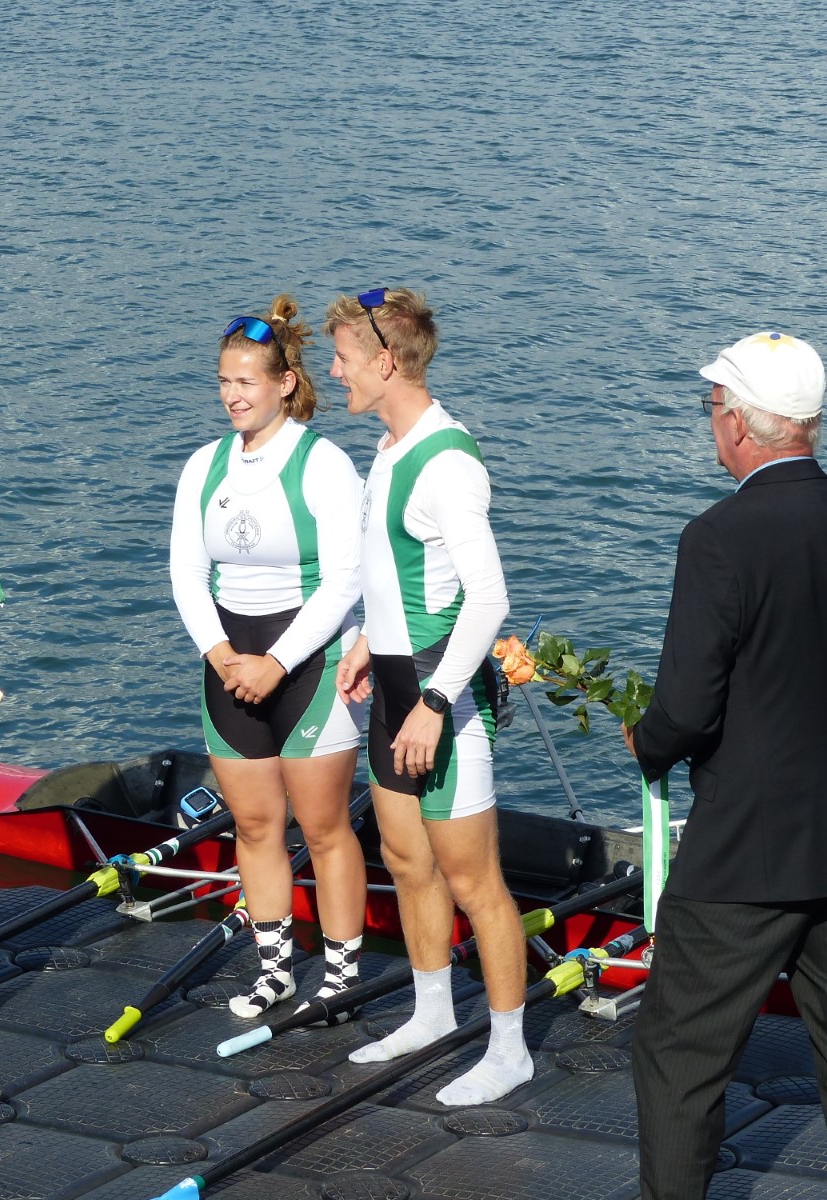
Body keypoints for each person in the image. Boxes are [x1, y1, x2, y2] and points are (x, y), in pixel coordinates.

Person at [624, 332, 827, 1199]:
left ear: (740, 425)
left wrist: (649, 743)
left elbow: (687, 705)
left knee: (679, 1054)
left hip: (742, 857)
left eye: (711, 408)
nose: (709, 424)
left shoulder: (718, 537)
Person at [328, 287, 532, 1106]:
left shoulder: (447, 463)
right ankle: (433, 1013)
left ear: (385, 362)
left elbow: (488, 598)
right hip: (392, 686)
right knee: (407, 860)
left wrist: (435, 704)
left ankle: (511, 1050)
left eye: (342, 358)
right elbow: (398, 572)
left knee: (474, 882)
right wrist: (363, 641)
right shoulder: (389, 447)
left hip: (444, 703)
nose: (333, 372)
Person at [169, 295, 369, 1022]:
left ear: (285, 383)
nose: (232, 396)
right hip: (229, 663)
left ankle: (342, 977)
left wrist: (277, 663)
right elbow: (186, 575)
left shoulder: (324, 464)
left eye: (246, 382)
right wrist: (223, 655)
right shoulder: (204, 466)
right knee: (254, 827)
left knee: (323, 829)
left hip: (308, 665)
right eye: (224, 381)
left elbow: (347, 579)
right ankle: (276, 971)